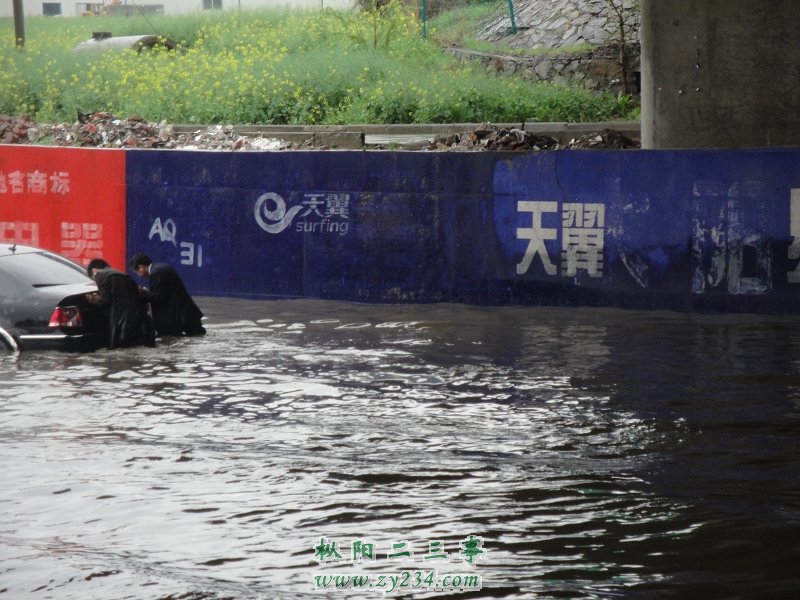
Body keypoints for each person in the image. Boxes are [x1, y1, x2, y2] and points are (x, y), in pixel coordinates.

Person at [128, 253, 206, 337]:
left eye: (136, 272)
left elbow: (160, 297)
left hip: (180, 318)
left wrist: (143, 294)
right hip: (186, 314)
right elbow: (167, 292)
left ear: (141, 267)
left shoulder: (156, 273)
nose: (138, 276)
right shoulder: (161, 268)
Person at [86, 258, 156, 349]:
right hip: (140, 321)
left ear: (94, 271)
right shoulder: (124, 275)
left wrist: (94, 299)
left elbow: (105, 301)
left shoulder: (100, 275)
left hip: (122, 322)